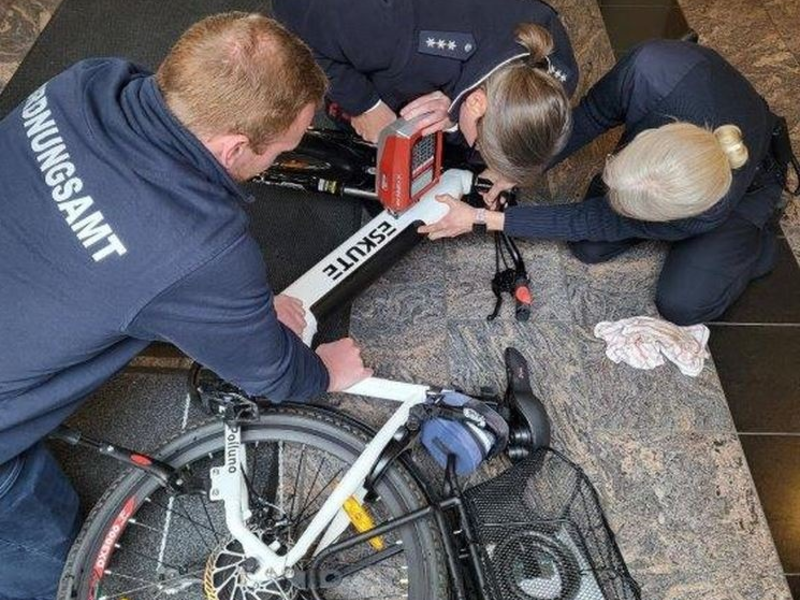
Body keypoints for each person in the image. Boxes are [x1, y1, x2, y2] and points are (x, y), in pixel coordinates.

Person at [0, 13, 371, 599]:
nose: (281, 160)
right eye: (285, 148)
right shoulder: (200, 247)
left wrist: (228, 312)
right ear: (234, 147)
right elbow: (271, 373)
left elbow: (110, 258)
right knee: (50, 552)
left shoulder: (86, 82)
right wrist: (325, 372)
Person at [420, 40, 794, 325]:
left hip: (746, 191)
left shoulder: (708, 207)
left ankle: (752, 242)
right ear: (649, 139)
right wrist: (511, 171)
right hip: (686, 124)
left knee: (682, 304)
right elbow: (594, 115)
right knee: (589, 249)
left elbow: (593, 218)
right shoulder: (651, 70)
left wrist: (481, 220)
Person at [273, 0, 579, 171]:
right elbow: (295, 22)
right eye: (479, 147)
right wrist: (366, 105)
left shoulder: (559, 73)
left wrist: (453, 113)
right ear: (477, 103)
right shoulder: (390, 36)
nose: (476, 153)